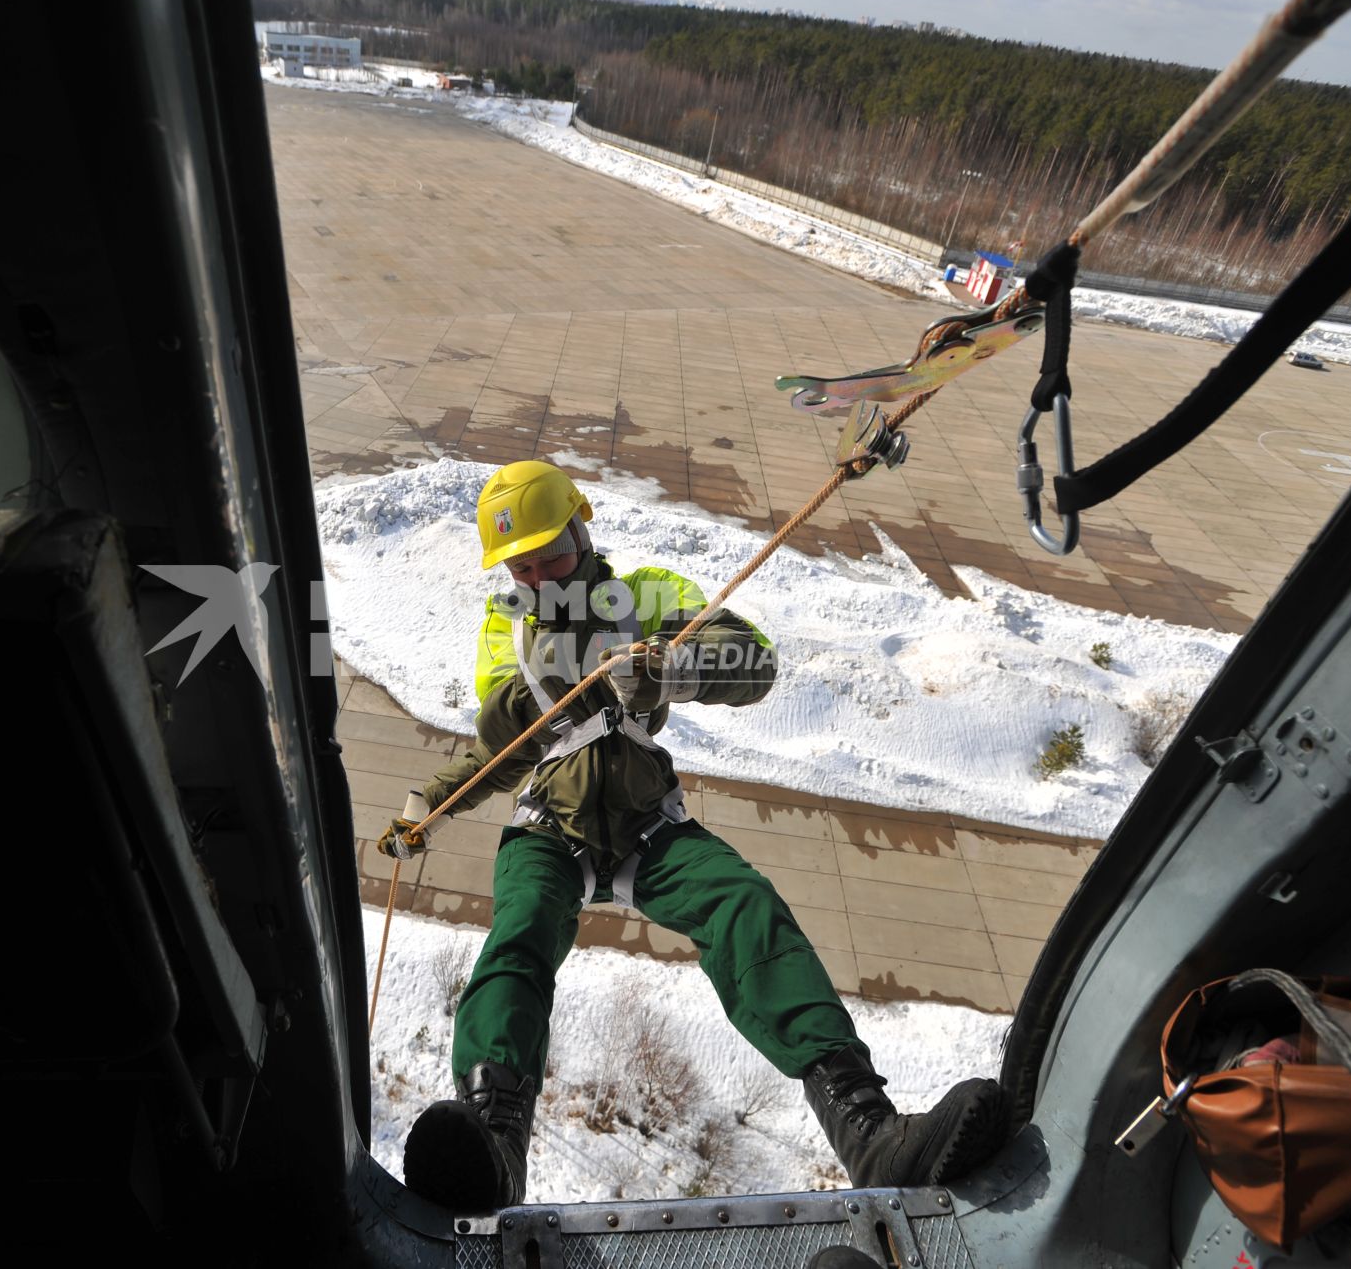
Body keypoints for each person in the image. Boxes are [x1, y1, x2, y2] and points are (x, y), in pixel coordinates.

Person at [377, 460, 1004, 1210]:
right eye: (524, 565)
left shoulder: (644, 598)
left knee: (745, 906)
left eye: (553, 555)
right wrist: (433, 805)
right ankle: (493, 1137)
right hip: (551, 826)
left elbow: (752, 661)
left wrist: (672, 670)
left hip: (650, 827)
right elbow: (503, 752)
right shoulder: (502, 629)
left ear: (583, 529)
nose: (541, 577)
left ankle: (866, 1128)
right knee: (519, 934)